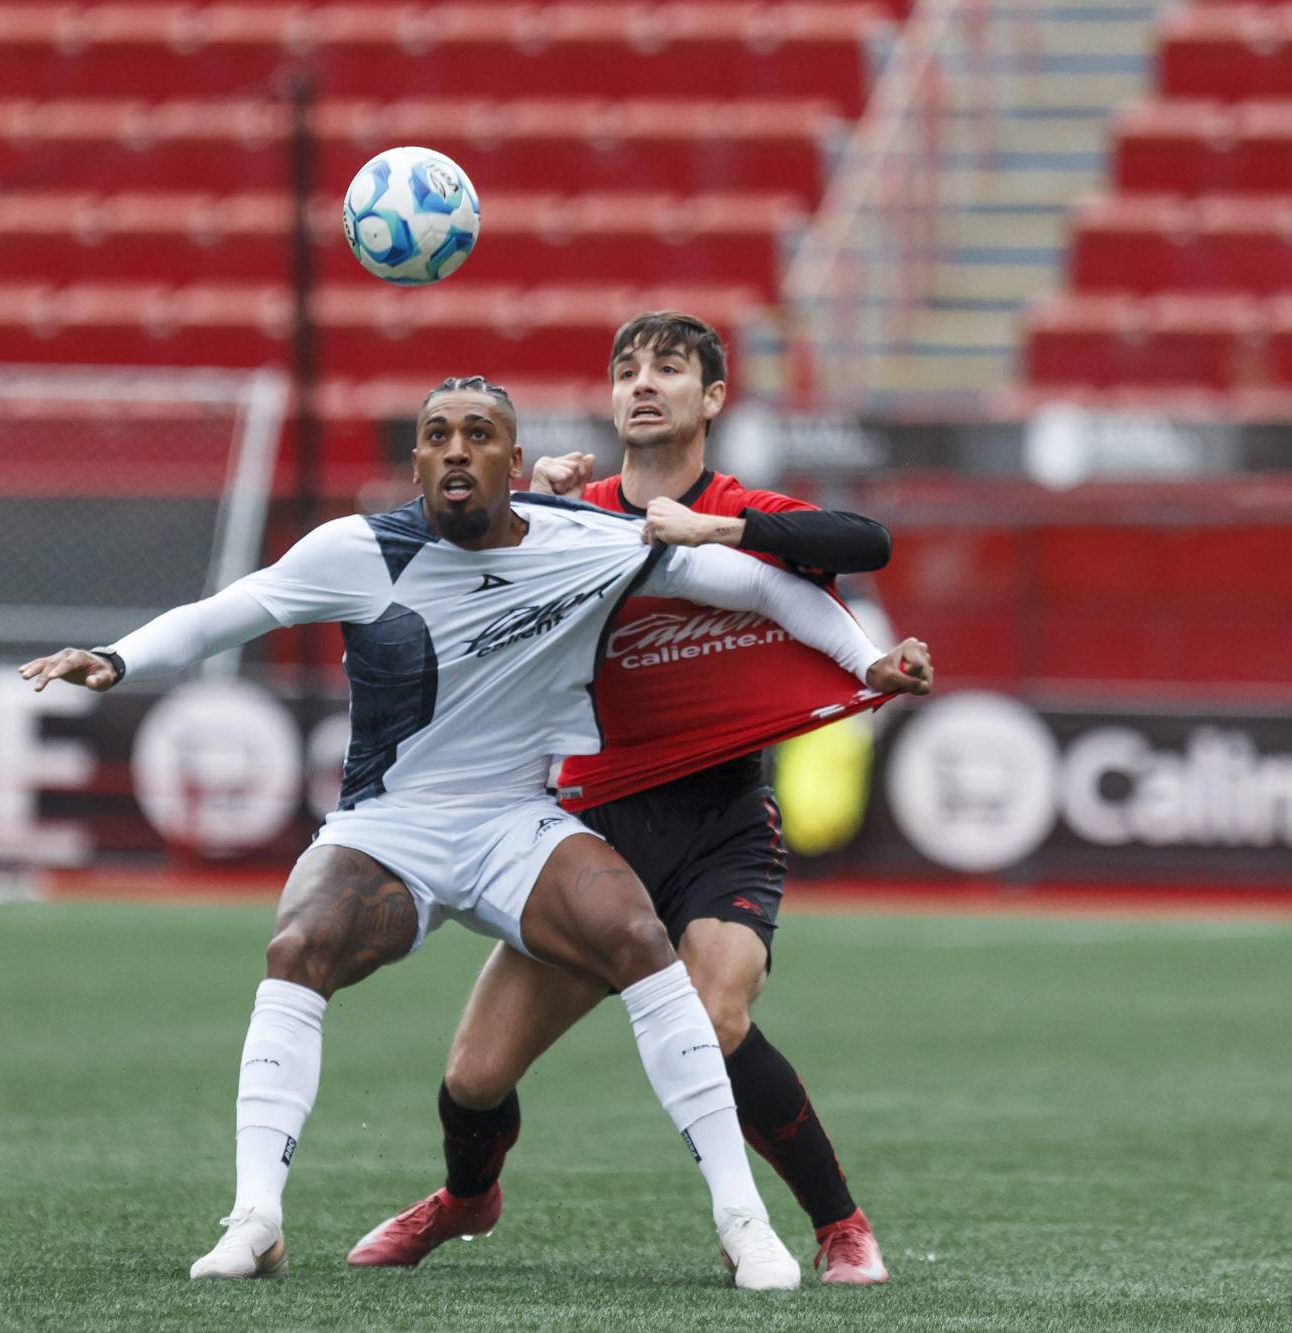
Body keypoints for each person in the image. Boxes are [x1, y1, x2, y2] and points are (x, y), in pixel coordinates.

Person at [19, 375, 934, 1290]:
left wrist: (866, 662)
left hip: (517, 824)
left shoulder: (590, 539)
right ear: (417, 462)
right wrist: (117, 656)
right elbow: (229, 612)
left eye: (479, 433)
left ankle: (746, 1224)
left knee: (638, 938)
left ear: (514, 460)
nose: (456, 448)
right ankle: (256, 1219)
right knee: (305, 951)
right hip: (390, 825)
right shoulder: (357, 548)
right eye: (436, 435)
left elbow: (764, 586)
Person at [349, 314, 910, 1286]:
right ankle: (466, 1198)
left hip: (718, 824)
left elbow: (867, 541)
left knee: (716, 1017)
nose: (642, 383)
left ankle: (839, 1225)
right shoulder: (569, 514)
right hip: (583, 835)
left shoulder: (738, 508)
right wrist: (525, 498)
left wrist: (717, 530)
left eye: (668, 368)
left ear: (712, 397)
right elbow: (453, 553)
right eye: (626, 370)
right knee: (473, 1079)